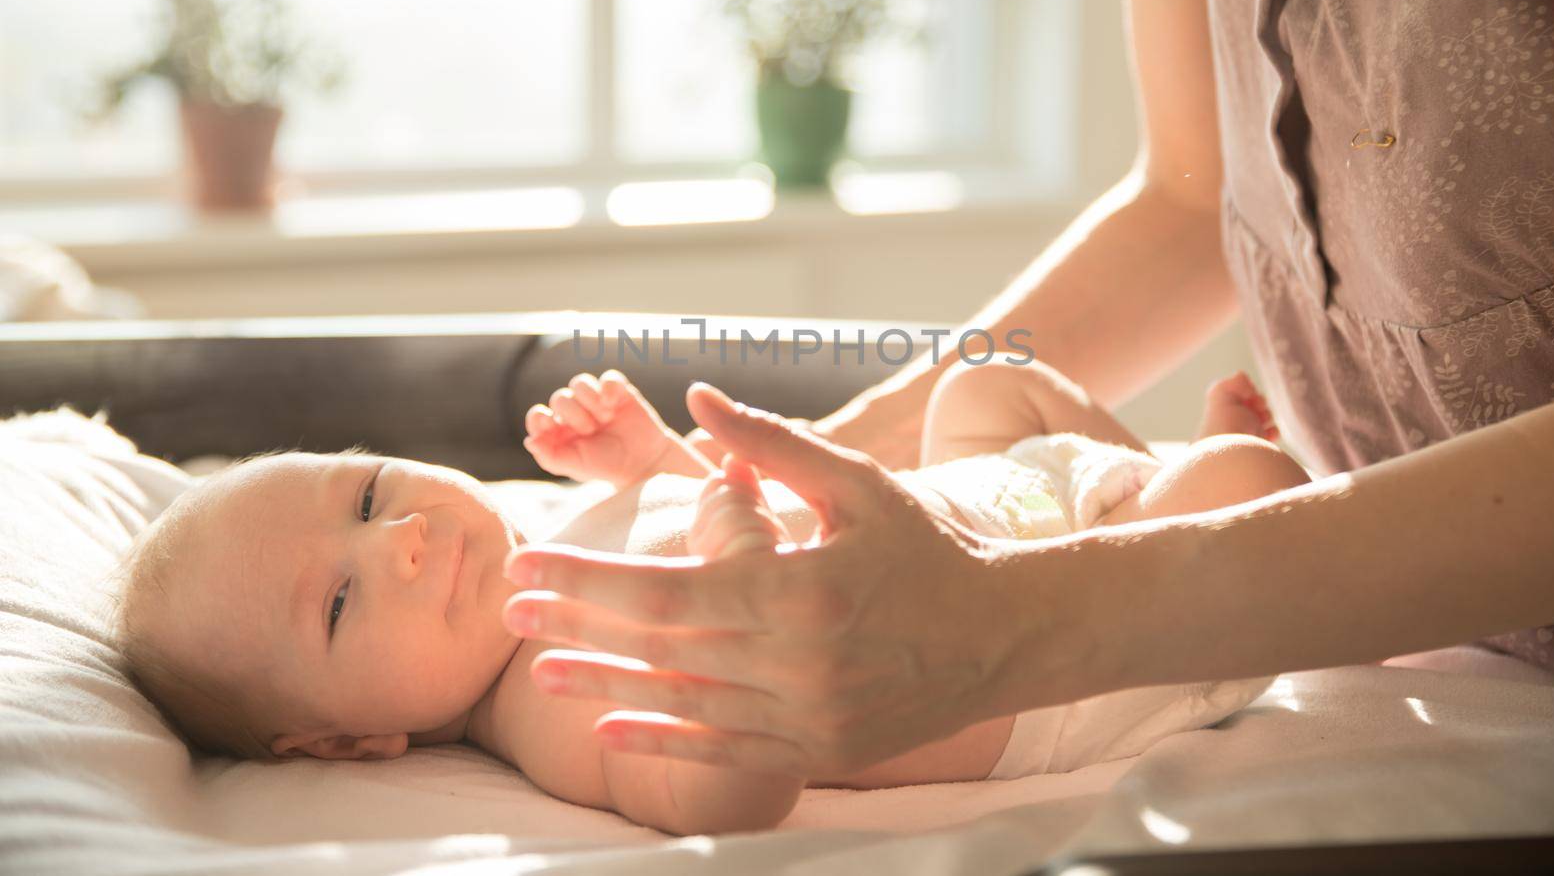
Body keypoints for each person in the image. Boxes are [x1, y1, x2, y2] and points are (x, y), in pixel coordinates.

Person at [500, 0, 1554, 781]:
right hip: (1419, 619)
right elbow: (1189, 197)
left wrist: (1022, 620)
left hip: (1439, 607)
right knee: (996, 394)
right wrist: (801, 459)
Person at [114, 364, 1295, 834]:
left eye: (369, 493)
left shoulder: (545, 537)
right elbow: (733, 791)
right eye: (339, 600)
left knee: (989, 382)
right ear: (347, 739)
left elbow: (695, 506)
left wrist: (648, 462)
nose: (407, 538)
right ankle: (1187, 491)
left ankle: (1137, 466)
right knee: (1249, 495)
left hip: (993, 503)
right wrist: (740, 606)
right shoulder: (560, 707)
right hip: (1080, 644)